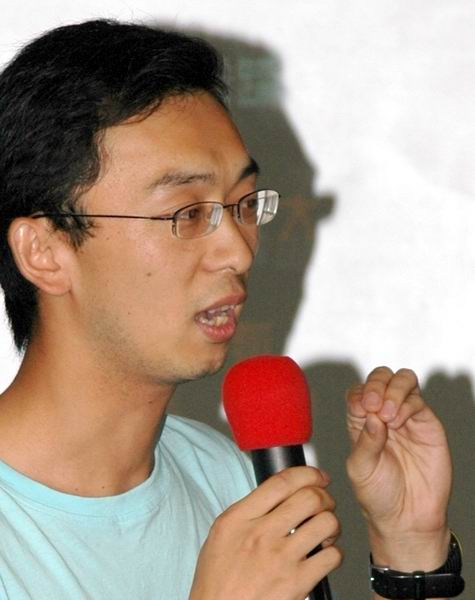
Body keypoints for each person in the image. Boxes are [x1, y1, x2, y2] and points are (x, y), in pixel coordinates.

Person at [0, 19, 462, 600]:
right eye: (187, 214)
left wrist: (410, 551)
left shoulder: (227, 476)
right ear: (44, 252)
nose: (239, 252)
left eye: (244, 204)